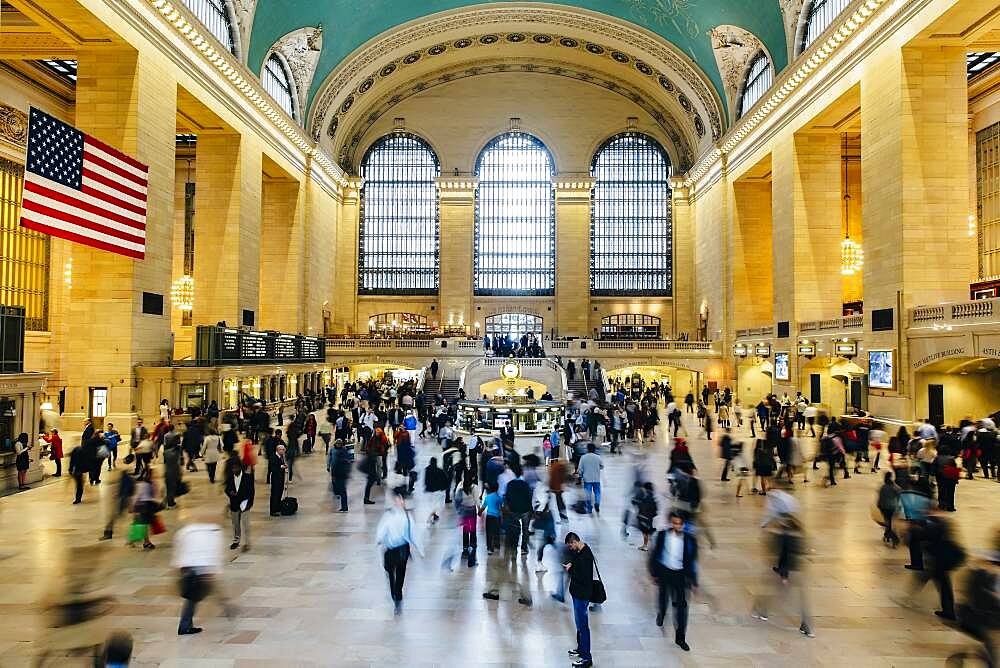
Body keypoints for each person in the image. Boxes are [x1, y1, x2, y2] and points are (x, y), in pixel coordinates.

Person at [649, 511, 698, 651]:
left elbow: (693, 561)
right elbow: (655, 554)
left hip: (680, 575)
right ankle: (661, 613)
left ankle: (680, 637)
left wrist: (694, 581)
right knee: (663, 598)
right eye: (674, 523)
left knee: (682, 607)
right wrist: (653, 572)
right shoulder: (663, 535)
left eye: (679, 524)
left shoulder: (690, 540)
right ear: (671, 522)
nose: (676, 526)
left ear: (683, 524)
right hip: (665, 572)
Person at [171, 518, 225, 635]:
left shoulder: (188, 530)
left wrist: (178, 566)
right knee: (194, 596)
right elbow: (213, 552)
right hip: (200, 567)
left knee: (193, 597)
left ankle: (186, 625)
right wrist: (214, 569)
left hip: (189, 566)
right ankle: (184, 626)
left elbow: (179, 546)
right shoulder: (214, 532)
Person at [376, 488, 423, 614]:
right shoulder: (389, 515)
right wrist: (379, 538)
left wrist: (420, 549)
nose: (398, 502)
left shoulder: (407, 517)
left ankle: (398, 595)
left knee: (400, 573)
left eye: (400, 500)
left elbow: (414, 534)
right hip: (391, 549)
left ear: (403, 501)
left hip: (402, 548)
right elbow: (382, 528)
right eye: (396, 499)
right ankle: (395, 594)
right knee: (391, 573)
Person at [565, 532, 597, 667]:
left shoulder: (585, 556)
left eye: (570, 546)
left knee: (583, 626)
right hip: (578, 593)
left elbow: (582, 577)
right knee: (579, 624)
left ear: (575, 542)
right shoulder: (582, 551)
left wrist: (570, 570)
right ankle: (581, 648)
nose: (570, 548)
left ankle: (586, 658)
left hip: (582, 595)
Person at [224, 458, 254, 551]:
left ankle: (247, 542)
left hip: (245, 505)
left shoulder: (248, 477)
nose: (234, 470)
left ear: (240, 468)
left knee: (246, 524)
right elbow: (226, 489)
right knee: (235, 524)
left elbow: (251, 492)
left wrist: (249, 504)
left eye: (236, 468)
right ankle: (236, 540)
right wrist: (230, 493)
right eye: (233, 468)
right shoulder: (229, 478)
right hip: (234, 504)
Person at [877, 471, 901, 548]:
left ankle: (887, 535)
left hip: (883, 507)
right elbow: (899, 493)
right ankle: (894, 539)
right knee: (891, 523)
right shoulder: (894, 487)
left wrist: (879, 506)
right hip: (892, 507)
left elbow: (880, 498)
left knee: (888, 522)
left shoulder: (883, 487)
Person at [327, 439, 351, 512]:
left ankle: (344, 507)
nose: (338, 445)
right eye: (337, 443)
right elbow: (329, 458)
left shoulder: (343, 452)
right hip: (336, 471)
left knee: (342, 490)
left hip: (340, 473)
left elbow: (348, 462)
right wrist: (328, 466)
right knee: (335, 483)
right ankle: (337, 493)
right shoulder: (333, 450)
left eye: (340, 444)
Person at [578, 443, 603, 513]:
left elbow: (580, 469)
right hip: (596, 478)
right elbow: (602, 466)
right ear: (594, 449)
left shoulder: (583, 457)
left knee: (588, 494)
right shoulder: (598, 457)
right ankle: (597, 503)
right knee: (597, 492)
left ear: (587, 449)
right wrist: (597, 468)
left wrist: (580, 476)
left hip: (587, 479)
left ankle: (589, 508)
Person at [269, 444, 288, 516]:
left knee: (279, 493)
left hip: (281, 478)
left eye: (284, 450)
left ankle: (277, 507)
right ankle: (273, 510)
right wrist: (281, 466)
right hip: (275, 479)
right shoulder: (273, 457)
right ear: (278, 450)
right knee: (275, 494)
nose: (283, 451)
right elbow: (272, 468)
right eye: (282, 450)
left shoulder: (281, 457)